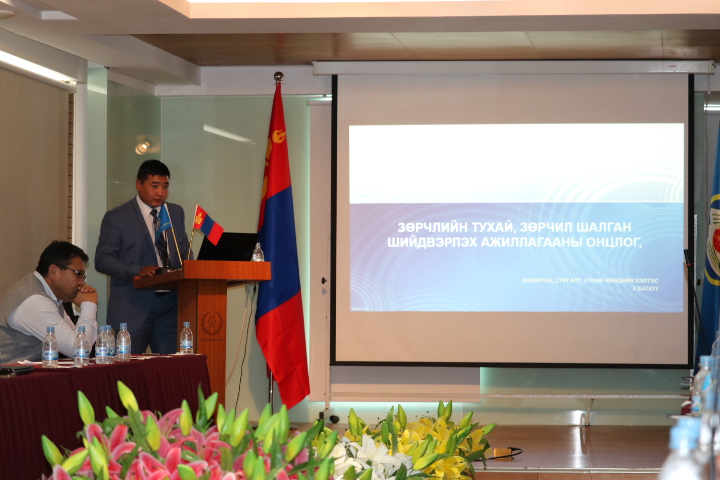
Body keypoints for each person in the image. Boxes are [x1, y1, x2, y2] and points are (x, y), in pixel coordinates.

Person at [95, 159, 190, 354]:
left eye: (165, 186)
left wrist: (191, 267)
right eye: (154, 186)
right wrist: (138, 270)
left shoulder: (175, 212)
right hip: (133, 305)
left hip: (170, 305)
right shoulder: (118, 217)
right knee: (128, 369)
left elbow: (184, 253)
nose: (160, 193)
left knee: (170, 367)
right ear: (139, 185)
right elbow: (103, 260)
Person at [0, 241, 98, 363]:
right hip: (8, 374)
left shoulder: (48, 295)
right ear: (54, 271)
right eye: (78, 274)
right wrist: (88, 304)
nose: (82, 282)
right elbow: (80, 351)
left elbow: (78, 339)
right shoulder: (35, 301)